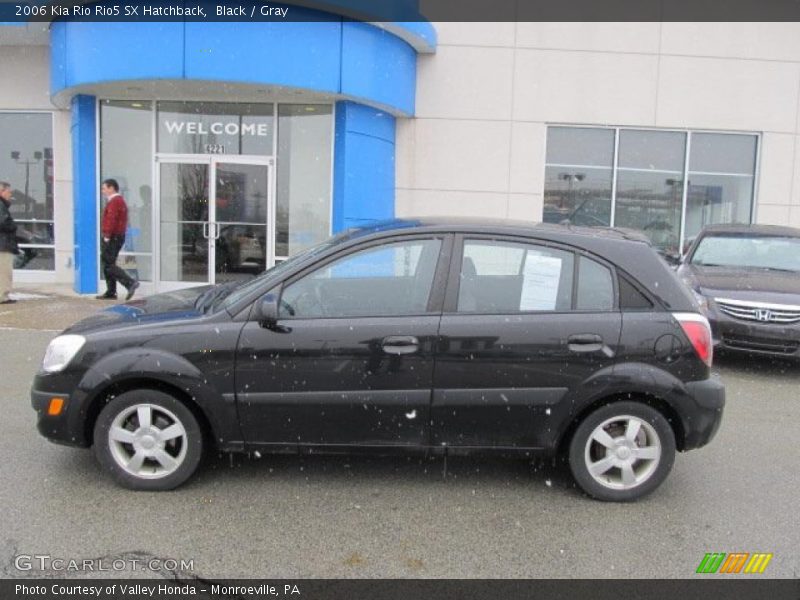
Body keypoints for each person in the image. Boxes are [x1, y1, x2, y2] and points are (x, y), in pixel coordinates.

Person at [97, 179, 139, 300]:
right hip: (116, 236)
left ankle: (130, 283)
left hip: (113, 237)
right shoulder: (117, 201)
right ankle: (111, 291)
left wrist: (107, 235)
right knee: (107, 263)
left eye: (104, 188)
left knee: (109, 264)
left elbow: (111, 219)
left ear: (112, 188)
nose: (103, 191)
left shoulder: (115, 202)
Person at [0, 181, 19, 304]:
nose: (10, 194)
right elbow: (3, 223)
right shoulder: (1, 205)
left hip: (3, 243)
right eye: (8, 191)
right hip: (3, 244)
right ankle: (2, 296)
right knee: (4, 271)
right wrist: (13, 225)